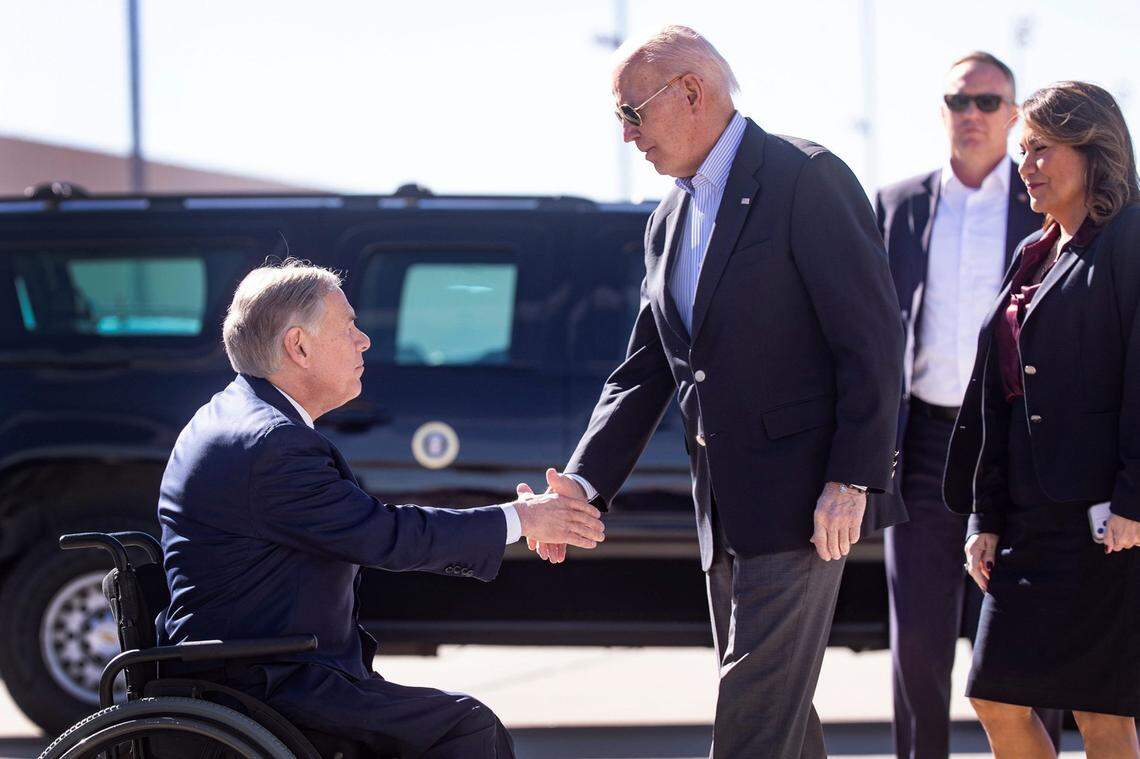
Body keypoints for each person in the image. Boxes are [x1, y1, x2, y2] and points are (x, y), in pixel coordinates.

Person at [528, 25, 905, 759]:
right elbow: (644, 370)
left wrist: (852, 477)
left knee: (749, 726)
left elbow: (872, 340)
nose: (627, 134)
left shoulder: (805, 177)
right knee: (782, 724)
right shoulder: (667, 218)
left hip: (806, 509)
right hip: (723, 516)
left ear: (692, 92)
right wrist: (579, 483)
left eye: (632, 113)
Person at [158, 259, 605, 758]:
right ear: (298, 346)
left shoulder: (233, 416)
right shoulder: (271, 443)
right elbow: (384, 534)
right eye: (348, 326)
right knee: (464, 728)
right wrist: (523, 519)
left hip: (258, 672)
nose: (364, 340)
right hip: (266, 685)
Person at [944, 81, 1140, 758]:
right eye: (1022, 149)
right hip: (1026, 518)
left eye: (1041, 149)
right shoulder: (1034, 250)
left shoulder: (1129, 241)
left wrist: (1134, 500)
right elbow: (1002, 396)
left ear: (1094, 151)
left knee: (1102, 712)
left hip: (1101, 522)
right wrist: (985, 516)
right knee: (993, 695)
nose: (1025, 163)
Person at [875, 51, 1060, 759]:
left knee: (1021, 635)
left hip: (1020, 451)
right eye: (959, 101)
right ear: (944, 111)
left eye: (988, 102)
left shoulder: (1042, 202)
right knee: (918, 642)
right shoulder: (897, 204)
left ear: (1014, 116)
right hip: (924, 444)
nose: (972, 114)